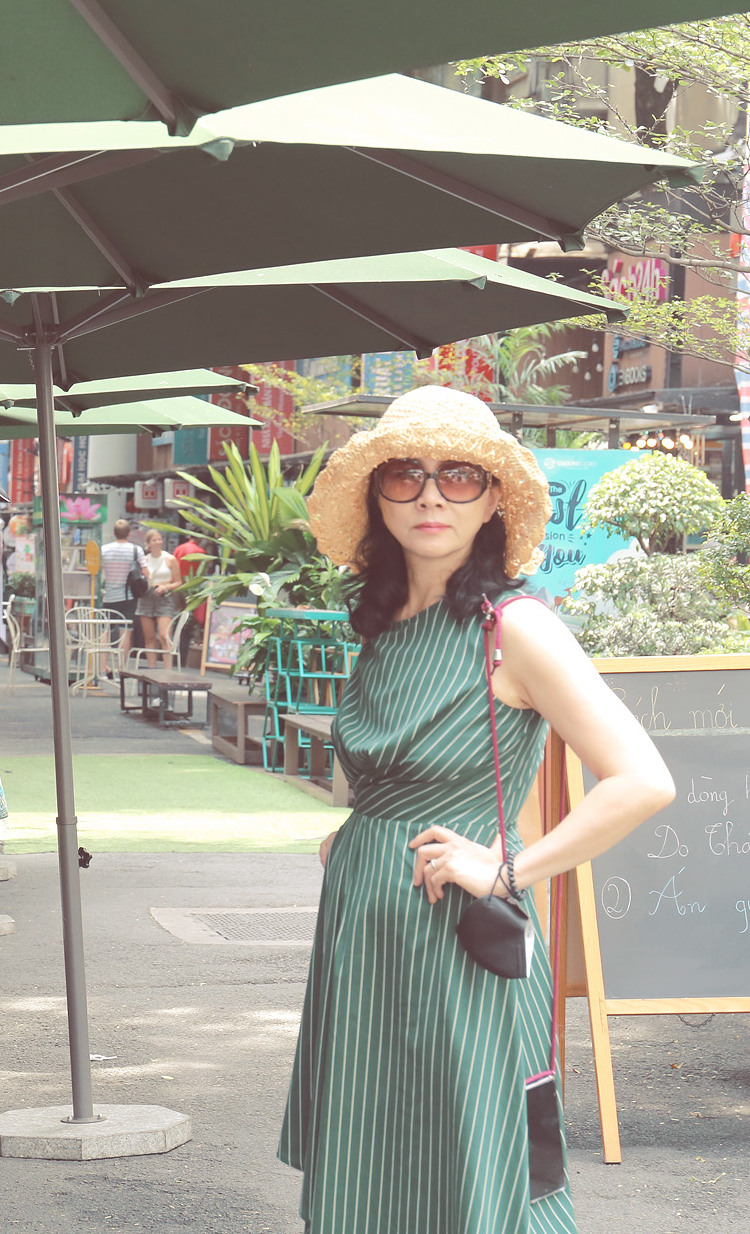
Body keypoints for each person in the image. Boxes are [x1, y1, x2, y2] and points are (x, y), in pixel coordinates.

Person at [280, 386, 673, 1234]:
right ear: (378, 494)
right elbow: (397, 769)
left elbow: (643, 779)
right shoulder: (384, 623)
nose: (429, 496)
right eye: (407, 475)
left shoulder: (517, 627)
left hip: (458, 935)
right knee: (373, 1151)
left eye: (458, 476)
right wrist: (358, 833)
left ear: (493, 498)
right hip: (365, 928)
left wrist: (507, 868)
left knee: (472, 1154)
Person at [98, 517, 146, 661]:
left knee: (104, 632)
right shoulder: (136, 550)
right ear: (129, 533)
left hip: (108, 597)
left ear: (114, 533)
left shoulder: (104, 550)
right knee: (126, 633)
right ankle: (121, 669)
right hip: (128, 598)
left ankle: (102, 668)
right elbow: (145, 572)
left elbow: (98, 571)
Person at [133, 529, 182, 667]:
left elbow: (178, 582)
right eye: (154, 540)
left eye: (159, 539)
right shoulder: (144, 560)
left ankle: (167, 670)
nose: (158, 542)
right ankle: (152, 668)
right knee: (149, 637)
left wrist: (166, 587)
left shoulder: (170, 559)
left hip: (165, 597)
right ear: (148, 543)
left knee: (164, 635)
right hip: (147, 596)